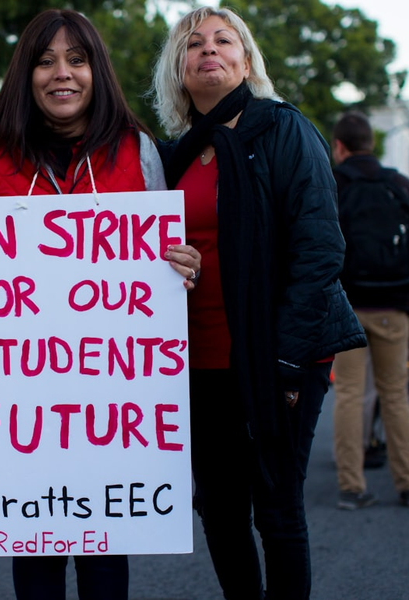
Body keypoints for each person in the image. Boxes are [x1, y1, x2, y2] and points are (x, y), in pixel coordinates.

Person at [0, 9, 201, 600]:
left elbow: (166, 256)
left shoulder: (136, 149)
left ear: (97, 70)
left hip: (113, 408)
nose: (61, 74)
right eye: (45, 61)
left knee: (104, 552)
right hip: (19, 408)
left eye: (76, 59)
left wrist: (182, 265)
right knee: (34, 553)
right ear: (25, 74)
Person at [151, 7, 366, 600]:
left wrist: (289, 361)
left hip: (277, 356)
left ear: (246, 60)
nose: (208, 50)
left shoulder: (284, 130)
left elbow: (320, 249)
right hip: (196, 361)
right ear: (180, 68)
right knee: (219, 511)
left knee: (275, 510)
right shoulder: (169, 157)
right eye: (193, 44)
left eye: (225, 40)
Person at [330, 110, 409, 510]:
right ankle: (406, 481)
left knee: (347, 393)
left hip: (347, 306)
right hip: (394, 306)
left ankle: (352, 485)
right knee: (395, 395)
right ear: (371, 144)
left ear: (339, 146)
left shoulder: (335, 184)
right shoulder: (398, 184)